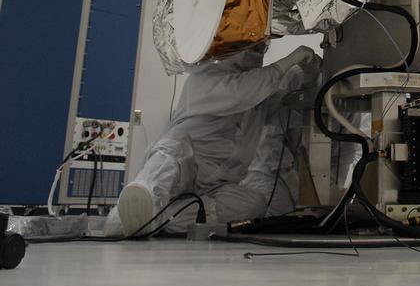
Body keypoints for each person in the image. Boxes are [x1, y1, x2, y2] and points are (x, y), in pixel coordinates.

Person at [110, 44, 320, 236]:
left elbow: (285, 91)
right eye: (252, 44)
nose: (258, 50)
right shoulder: (203, 80)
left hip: (216, 185)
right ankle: (134, 204)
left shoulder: (259, 94)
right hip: (187, 166)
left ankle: (154, 219)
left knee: (254, 205)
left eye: (262, 46)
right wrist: (291, 59)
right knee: (169, 157)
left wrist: (309, 71)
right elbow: (243, 91)